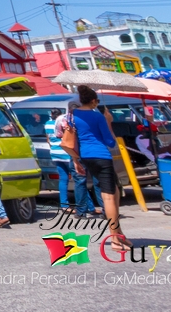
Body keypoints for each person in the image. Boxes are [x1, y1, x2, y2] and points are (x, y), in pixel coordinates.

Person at [62, 86, 131, 252]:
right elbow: (110, 141)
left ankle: (119, 233)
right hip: (101, 156)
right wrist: (108, 122)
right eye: (97, 101)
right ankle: (114, 239)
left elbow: (71, 140)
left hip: (85, 157)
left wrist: (76, 161)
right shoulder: (97, 116)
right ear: (93, 100)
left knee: (114, 192)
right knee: (109, 198)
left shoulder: (72, 115)